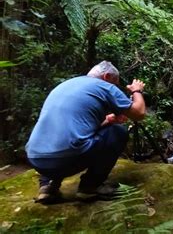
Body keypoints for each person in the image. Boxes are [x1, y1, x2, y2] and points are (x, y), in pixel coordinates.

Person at [25, 61, 146, 203]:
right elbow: (139, 113)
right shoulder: (104, 86)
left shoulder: (66, 85)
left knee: (60, 138)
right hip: (68, 159)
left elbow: (73, 127)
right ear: (107, 76)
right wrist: (136, 91)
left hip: (36, 159)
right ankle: (89, 187)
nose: (115, 87)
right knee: (118, 132)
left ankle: (47, 186)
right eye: (115, 83)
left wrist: (107, 120)